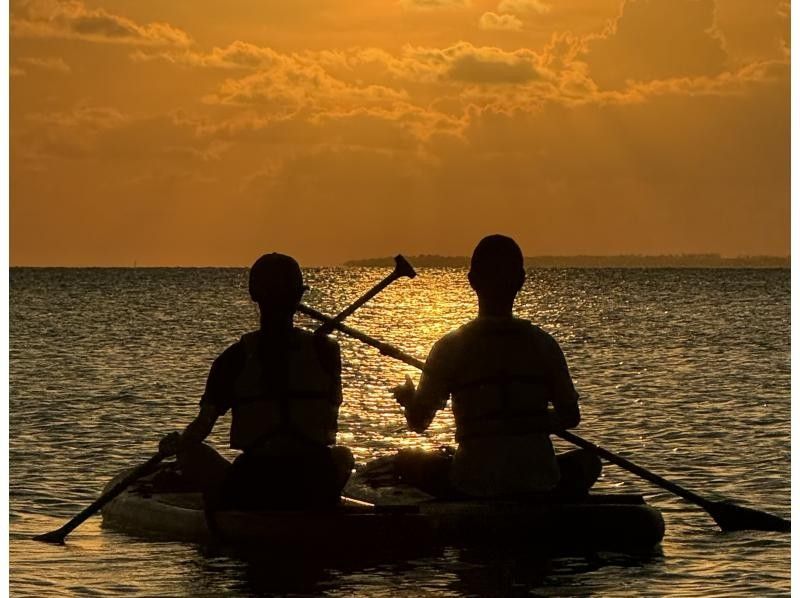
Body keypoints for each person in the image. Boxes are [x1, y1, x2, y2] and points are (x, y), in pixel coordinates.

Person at [391, 235, 601, 499]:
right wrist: (530, 422)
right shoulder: (543, 344)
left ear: (472, 282)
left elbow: (418, 422)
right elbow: (571, 416)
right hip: (539, 479)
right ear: (521, 282)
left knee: (405, 462)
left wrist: (409, 399)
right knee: (589, 461)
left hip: (471, 481)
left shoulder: (449, 347)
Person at [159, 253, 354, 511]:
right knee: (342, 456)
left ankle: (225, 510)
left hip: (254, 482)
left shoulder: (234, 358)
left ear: (254, 296)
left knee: (190, 453)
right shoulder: (327, 352)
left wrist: (177, 444)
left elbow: (202, 427)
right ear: (298, 298)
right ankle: (315, 508)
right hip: (315, 477)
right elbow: (329, 407)